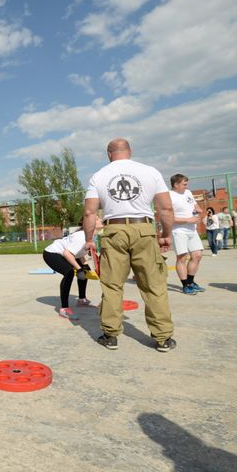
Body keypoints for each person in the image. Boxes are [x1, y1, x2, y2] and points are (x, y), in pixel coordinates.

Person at [83, 138, 176, 353]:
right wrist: (165, 234)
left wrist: (89, 239)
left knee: (113, 285)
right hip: (143, 228)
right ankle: (162, 338)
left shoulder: (99, 176)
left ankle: (110, 335)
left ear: (109, 154)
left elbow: (89, 212)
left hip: (113, 231)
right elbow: (166, 208)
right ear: (130, 151)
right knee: (153, 285)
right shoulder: (150, 172)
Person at [41, 229, 92, 318]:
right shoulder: (81, 236)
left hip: (65, 253)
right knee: (69, 272)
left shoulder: (90, 236)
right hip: (52, 253)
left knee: (85, 271)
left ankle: (82, 299)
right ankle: (64, 309)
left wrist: (85, 266)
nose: (101, 221)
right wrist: (79, 269)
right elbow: (67, 253)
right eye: (97, 219)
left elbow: (78, 252)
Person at [169, 174, 205, 295]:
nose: (187, 186)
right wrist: (188, 220)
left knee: (197, 255)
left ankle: (191, 282)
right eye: (184, 184)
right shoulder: (169, 196)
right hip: (179, 231)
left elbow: (195, 205)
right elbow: (168, 218)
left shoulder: (188, 192)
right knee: (182, 258)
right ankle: (185, 285)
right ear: (176, 184)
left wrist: (198, 209)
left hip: (192, 230)